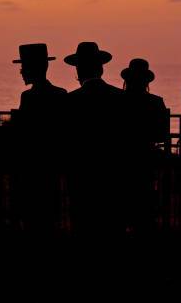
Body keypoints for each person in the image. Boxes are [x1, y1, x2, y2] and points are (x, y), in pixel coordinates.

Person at [63, 42, 125, 237]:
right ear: (101, 68)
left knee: (83, 224)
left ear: (78, 70)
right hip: (113, 172)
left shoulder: (70, 101)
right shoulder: (120, 97)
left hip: (81, 172)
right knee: (112, 223)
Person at [12, 43, 67, 235]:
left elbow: (22, 132)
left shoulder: (28, 97)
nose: (21, 72)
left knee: (33, 215)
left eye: (23, 67)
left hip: (32, 165)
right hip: (51, 162)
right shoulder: (61, 94)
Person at [119, 58, 168, 234]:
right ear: (146, 81)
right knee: (145, 205)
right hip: (146, 158)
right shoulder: (156, 102)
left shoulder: (118, 101)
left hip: (121, 159)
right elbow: (162, 134)